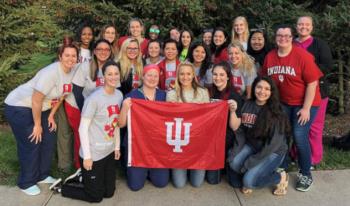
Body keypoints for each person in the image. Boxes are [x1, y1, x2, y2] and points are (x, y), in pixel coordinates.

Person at [4, 36, 79, 196]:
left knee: (49, 138)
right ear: (60, 56)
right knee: (33, 140)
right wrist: (37, 125)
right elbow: (36, 99)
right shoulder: (51, 72)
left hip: (42, 108)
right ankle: (26, 182)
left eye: (73, 55)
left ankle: (42, 175)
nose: (70, 59)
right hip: (19, 106)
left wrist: (51, 115)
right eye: (67, 55)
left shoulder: (72, 72)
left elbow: (62, 96)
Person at [262, 25, 323, 192]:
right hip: (283, 103)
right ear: (275, 38)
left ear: (292, 38)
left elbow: (312, 83)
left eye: (287, 36)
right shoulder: (270, 56)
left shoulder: (302, 55)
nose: (283, 38)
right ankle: (283, 165)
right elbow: (266, 81)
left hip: (305, 103)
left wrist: (305, 108)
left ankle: (306, 173)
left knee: (299, 134)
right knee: (281, 134)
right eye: (280, 35)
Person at [51, 60, 123, 203]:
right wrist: (88, 156)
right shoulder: (94, 99)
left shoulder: (119, 95)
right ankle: (61, 188)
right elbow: (82, 128)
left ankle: (83, 177)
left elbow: (115, 124)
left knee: (109, 193)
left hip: (108, 152)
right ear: (104, 76)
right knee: (95, 197)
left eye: (116, 74)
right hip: (94, 153)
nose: (113, 77)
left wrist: (116, 147)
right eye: (110, 74)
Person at [227, 76, 290, 196]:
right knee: (234, 162)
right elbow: (240, 131)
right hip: (253, 146)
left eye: (267, 89)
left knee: (249, 181)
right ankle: (254, 171)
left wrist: (250, 163)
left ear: (271, 92)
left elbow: (272, 145)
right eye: (259, 87)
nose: (262, 91)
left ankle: (280, 177)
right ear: (254, 88)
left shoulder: (276, 112)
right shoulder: (246, 105)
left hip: (273, 152)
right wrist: (236, 150)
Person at [118, 64, 170, 191]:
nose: (152, 78)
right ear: (143, 76)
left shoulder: (164, 96)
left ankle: (150, 170)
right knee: (135, 186)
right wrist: (125, 107)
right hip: (137, 146)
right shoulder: (132, 96)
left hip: (158, 146)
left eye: (155, 76)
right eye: (149, 75)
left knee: (161, 183)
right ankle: (142, 171)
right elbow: (121, 124)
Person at [65, 39, 113, 170]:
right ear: (94, 51)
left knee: (99, 135)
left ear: (110, 51)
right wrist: (84, 112)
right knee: (82, 135)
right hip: (80, 105)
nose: (103, 52)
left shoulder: (112, 67)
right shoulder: (86, 66)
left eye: (106, 49)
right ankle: (79, 166)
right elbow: (77, 89)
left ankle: (98, 162)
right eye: (100, 49)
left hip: (101, 111)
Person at [294, 16, 333, 166]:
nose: (303, 27)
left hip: (318, 92)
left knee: (314, 127)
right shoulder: (291, 43)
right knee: (298, 125)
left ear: (312, 27)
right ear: (296, 27)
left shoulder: (319, 44)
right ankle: (297, 154)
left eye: (307, 24)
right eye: (300, 24)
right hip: (296, 93)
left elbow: (327, 66)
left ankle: (314, 158)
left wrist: (306, 74)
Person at [166, 62, 210, 188]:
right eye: (182, 74)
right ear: (178, 76)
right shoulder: (171, 94)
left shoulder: (203, 92)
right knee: (179, 184)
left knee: (197, 183)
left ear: (193, 75)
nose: (185, 77)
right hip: (179, 143)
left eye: (188, 74)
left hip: (197, 142)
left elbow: (208, 117)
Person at [207, 61, 243, 184]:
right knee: (210, 178)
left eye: (222, 75)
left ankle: (228, 161)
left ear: (228, 76)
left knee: (217, 181)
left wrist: (233, 111)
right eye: (215, 74)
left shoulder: (235, 95)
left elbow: (235, 127)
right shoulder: (207, 92)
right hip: (209, 137)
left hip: (226, 139)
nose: (218, 78)